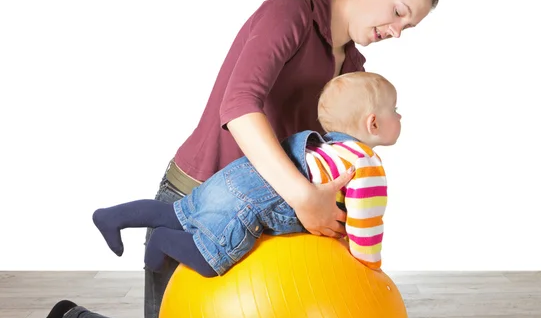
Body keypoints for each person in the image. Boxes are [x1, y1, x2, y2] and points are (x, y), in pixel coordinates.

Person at [12, 0, 438, 318]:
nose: (395, 30)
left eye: (406, 26)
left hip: (261, 213)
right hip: (196, 197)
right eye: (397, 11)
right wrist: (302, 198)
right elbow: (239, 108)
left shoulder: (352, 67)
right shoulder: (289, 14)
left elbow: (327, 152)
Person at [92, 71, 398, 276]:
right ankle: (162, 242)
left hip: (236, 175)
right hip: (250, 203)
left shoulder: (320, 148)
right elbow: (366, 226)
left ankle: (112, 216)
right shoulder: (365, 164)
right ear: (373, 123)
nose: (399, 116)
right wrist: (369, 268)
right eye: (394, 110)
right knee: (209, 259)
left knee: (176, 212)